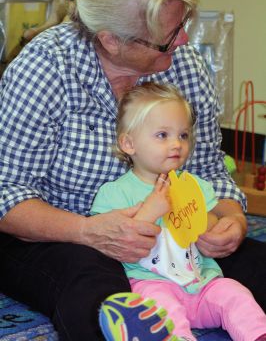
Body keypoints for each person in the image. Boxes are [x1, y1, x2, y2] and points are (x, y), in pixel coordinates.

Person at [0, 0, 265, 340]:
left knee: (254, 263)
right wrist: (89, 231)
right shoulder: (46, 67)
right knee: (91, 283)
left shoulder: (184, 65)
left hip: (176, 236)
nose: (183, 41)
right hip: (59, 234)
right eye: (169, 35)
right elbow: (5, 193)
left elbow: (211, 168)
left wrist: (232, 220)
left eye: (182, 24)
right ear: (111, 41)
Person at [92, 82, 266, 341]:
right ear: (129, 143)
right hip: (151, 284)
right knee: (160, 310)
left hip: (202, 283)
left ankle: (257, 334)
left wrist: (212, 226)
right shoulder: (114, 193)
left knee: (235, 294)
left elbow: (209, 221)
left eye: (183, 135)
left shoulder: (193, 185)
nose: (176, 144)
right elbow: (111, 245)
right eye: (162, 135)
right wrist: (150, 212)